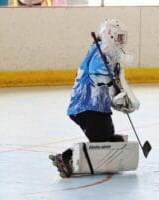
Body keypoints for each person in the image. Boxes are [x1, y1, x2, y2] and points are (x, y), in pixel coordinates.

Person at [49, 18, 137, 178]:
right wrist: (111, 86)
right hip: (86, 106)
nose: (121, 41)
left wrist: (118, 101)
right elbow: (96, 72)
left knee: (110, 140)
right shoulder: (102, 50)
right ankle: (66, 158)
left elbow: (108, 83)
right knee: (102, 143)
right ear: (110, 35)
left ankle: (69, 158)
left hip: (97, 108)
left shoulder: (109, 53)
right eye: (119, 37)